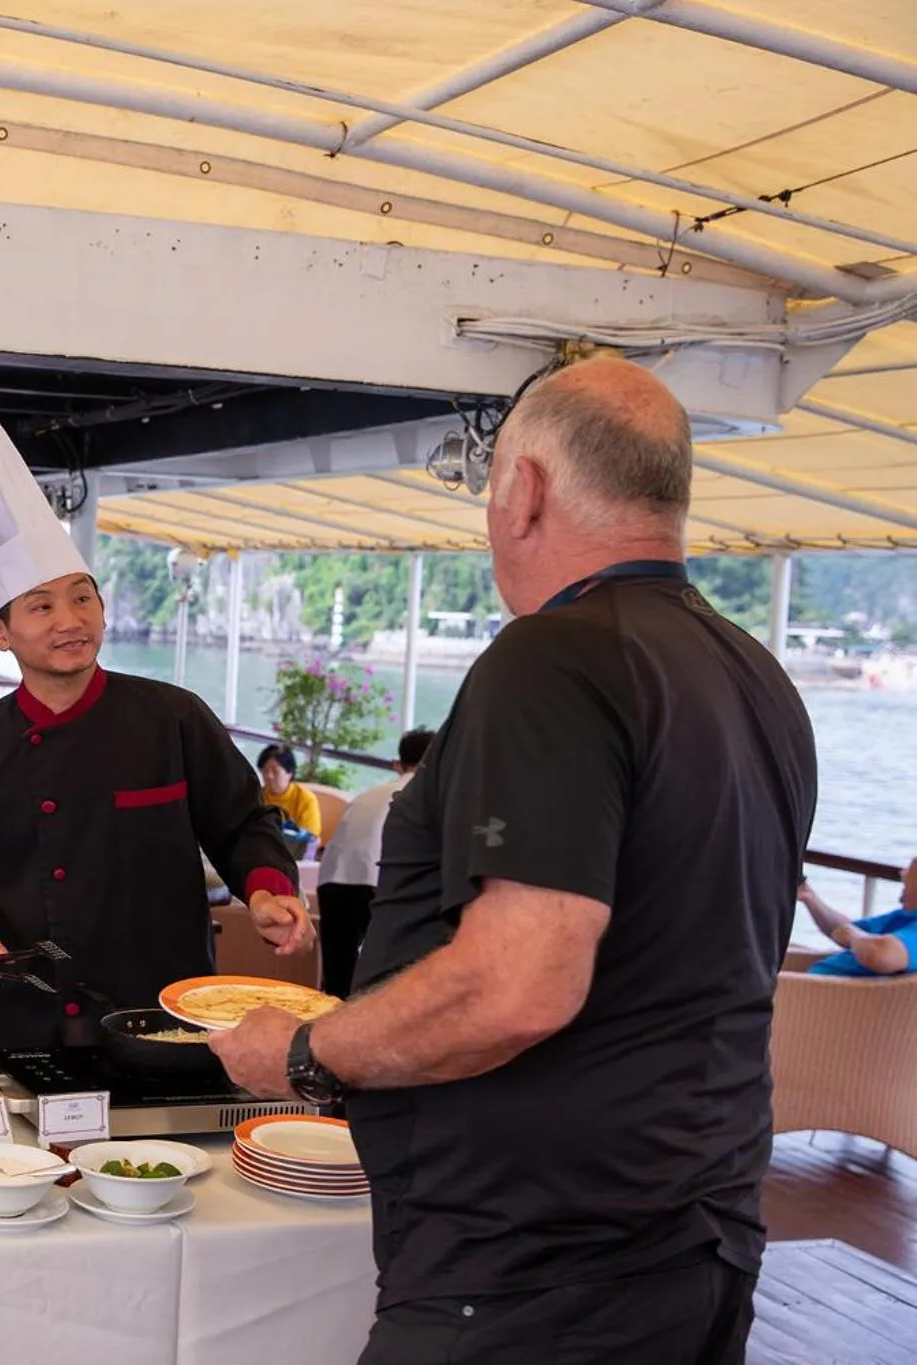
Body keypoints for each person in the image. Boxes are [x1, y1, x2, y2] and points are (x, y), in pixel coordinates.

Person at [208, 357, 816, 1365]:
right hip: (695, 1234)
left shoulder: (552, 658)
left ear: (520, 489)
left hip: (530, 1268)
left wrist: (304, 1057)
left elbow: (517, 984)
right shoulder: (750, 675)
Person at [0, 425, 311, 1048]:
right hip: (34, 1023)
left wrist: (266, 890)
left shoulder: (173, 718)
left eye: (82, 598)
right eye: (41, 606)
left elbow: (243, 824)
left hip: (170, 1018)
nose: (70, 621)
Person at [316, 728, 433, 998]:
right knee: (391, 980)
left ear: (398, 764)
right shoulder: (424, 795)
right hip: (375, 884)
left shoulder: (367, 795)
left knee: (338, 983)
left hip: (332, 882)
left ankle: (325, 1037)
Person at [797, 860, 916, 976]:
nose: (902, 873)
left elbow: (882, 953)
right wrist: (810, 898)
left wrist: (853, 937)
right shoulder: (904, 915)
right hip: (810, 985)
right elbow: (841, 930)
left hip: (821, 992)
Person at [257, 743, 324, 851]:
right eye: (265, 771)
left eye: (275, 771)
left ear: (290, 773)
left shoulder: (305, 799)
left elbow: (310, 838)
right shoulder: (257, 795)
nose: (269, 776)